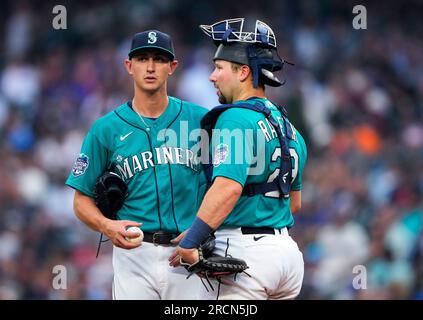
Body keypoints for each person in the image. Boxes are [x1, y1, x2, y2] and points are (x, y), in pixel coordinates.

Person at [169, 18, 307, 300]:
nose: (212, 76)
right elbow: (294, 203)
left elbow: (228, 187)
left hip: (245, 254)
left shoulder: (235, 117)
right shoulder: (289, 128)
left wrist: (193, 241)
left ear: (243, 72)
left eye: (219, 67)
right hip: (287, 257)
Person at [66, 29, 208, 299]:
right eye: (142, 59)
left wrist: (204, 228)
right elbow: (80, 200)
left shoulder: (200, 120)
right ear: (129, 66)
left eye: (159, 59)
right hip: (134, 253)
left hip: (187, 251)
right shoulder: (105, 129)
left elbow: (225, 184)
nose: (151, 67)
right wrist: (105, 225)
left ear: (172, 67)